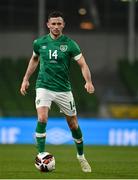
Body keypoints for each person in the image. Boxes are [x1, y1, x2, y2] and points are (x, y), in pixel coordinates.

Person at [20, 11, 94, 173]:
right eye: (53, 23)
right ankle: (41, 155)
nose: (56, 26)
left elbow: (82, 64)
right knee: (42, 117)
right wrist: (26, 78)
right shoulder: (39, 43)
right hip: (43, 85)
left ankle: (81, 157)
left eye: (59, 23)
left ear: (63, 25)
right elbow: (34, 59)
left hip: (63, 89)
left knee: (73, 124)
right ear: (48, 25)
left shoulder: (70, 44)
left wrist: (88, 81)